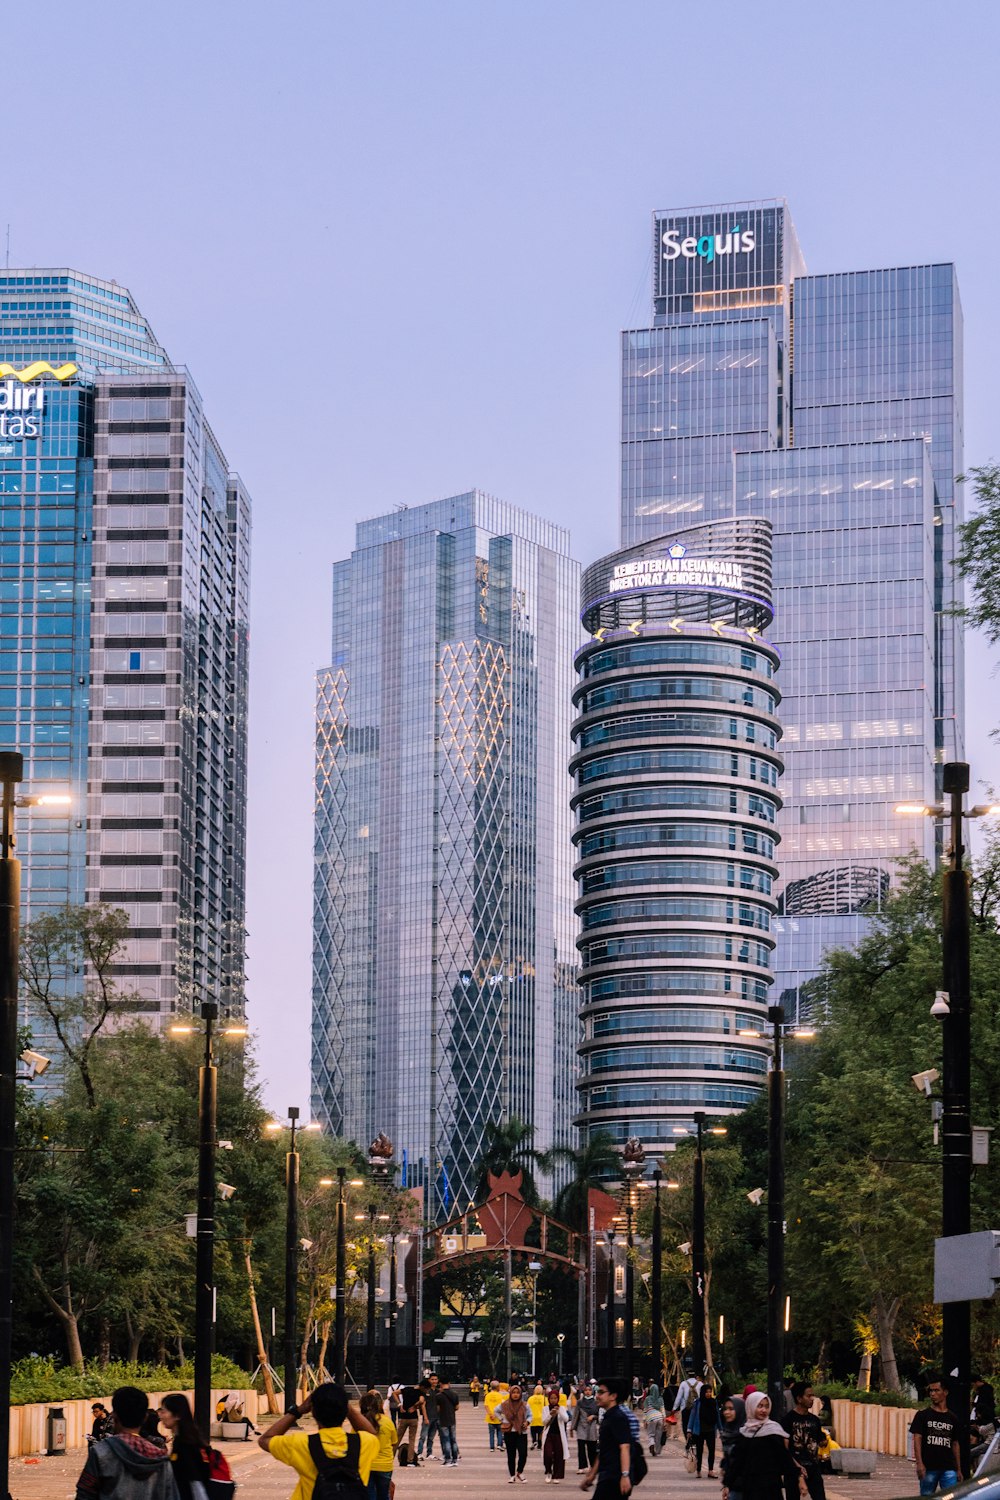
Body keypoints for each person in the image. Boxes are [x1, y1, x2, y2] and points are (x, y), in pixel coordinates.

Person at [259, 1382, 379, 1500]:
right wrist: (348, 1409)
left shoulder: (301, 1443)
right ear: (345, 1411)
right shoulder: (364, 1443)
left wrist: (298, 1411)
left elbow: (265, 1440)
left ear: (313, 1411)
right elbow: (372, 1433)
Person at [76, 1386, 178, 1500]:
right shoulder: (161, 1459)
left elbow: (85, 1494)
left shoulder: (100, 1452)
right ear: (145, 1418)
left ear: (114, 1416)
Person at [722, 1392, 806, 1500]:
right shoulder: (745, 1433)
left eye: (766, 1406)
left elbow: (785, 1458)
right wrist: (728, 1485)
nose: (764, 1410)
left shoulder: (773, 1430)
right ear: (751, 1406)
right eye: (760, 1406)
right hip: (750, 1488)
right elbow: (737, 1463)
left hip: (770, 1487)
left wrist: (799, 1478)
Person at [580, 1376, 635, 1499]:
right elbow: (604, 1450)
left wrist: (625, 1475)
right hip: (607, 1476)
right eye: (597, 1392)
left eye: (601, 1392)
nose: (597, 1396)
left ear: (613, 1396)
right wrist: (592, 1475)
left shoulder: (618, 1417)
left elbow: (625, 1447)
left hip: (615, 1477)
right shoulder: (608, 1416)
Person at [910, 1375, 963, 1496]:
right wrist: (919, 1463)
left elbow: (955, 1443)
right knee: (927, 1495)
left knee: (951, 1496)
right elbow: (917, 1438)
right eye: (931, 1391)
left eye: (936, 1390)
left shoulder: (952, 1418)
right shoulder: (922, 1415)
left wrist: (958, 1469)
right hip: (929, 1467)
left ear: (945, 1392)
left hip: (949, 1467)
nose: (932, 1394)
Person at [156, 1395, 211, 1500]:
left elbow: (195, 1482)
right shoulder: (187, 1439)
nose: (160, 1416)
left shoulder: (185, 1444)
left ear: (177, 1415)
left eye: (164, 1411)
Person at [781, 1382, 826, 1500]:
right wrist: (796, 1466)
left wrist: (823, 1441)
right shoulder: (788, 1420)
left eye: (813, 1395)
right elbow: (785, 1447)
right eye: (808, 1396)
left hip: (813, 1468)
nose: (812, 1399)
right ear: (799, 1398)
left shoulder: (815, 1420)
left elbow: (820, 1439)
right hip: (794, 1470)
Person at [359, 1392, 396, 1500]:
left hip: (366, 1465)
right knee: (384, 1495)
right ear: (379, 1404)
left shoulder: (359, 1422)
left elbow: (354, 1443)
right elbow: (394, 1442)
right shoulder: (387, 1422)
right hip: (385, 1465)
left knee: (369, 1495)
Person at [499, 1383, 530, 1484]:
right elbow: (495, 1411)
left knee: (523, 1454)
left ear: (521, 1394)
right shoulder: (505, 1404)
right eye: (514, 1392)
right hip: (509, 1432)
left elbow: (530, 1415)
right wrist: (502, 1419)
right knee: (511, 1455)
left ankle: (520, 1472)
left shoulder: (525, 1405)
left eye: (518, 1393)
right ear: (510, 1393)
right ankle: (512, 1475)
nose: (516, 1395)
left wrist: (527, 1422)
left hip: (521, 1432)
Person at [543, 1387, 571, 1484]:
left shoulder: (562, 1408)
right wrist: (550, 1414)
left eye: (555, 1398)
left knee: (559, 1455)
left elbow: (566, 1419)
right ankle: (548, 1471)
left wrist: (559, 1411)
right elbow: (544, 1422)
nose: (553, 1400)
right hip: (549, 1435)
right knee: (548, 1454)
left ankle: (556, 1475)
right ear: (548, 1399)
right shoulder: (545, 1409)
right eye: (551, 1398)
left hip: (559, 1435)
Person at [692, 1379, 719, 1477]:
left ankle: (710, 1470)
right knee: (699, 1451)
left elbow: (717, 1416)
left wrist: (720, 1428)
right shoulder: (698, 1402)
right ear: (703, 1392)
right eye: (707, 1392)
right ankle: (698, 1470)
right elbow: (693, 1416)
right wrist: (689, 1430)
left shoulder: (713, 1402)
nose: (708, 1394)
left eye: (710, 1392)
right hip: (700, 1430)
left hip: (711, 1429)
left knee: (712, 1451)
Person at [719, 1396, 745, 1497]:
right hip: (733, 1485)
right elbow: (728, 1461)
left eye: (731, 1409)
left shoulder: (746, 1434)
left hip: (747, 1486)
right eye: (725, 1409)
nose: (726, 1412)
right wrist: (726, 1485)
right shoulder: (727, 1431)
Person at [571, 1384, 600, 1473]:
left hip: (592, 1428)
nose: (588, 1392)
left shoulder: (597, 1402)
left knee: (592, 1449)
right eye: (586, 1390)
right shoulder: (580, 1402)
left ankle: (593, 1466)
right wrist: (572, 1428)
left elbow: (600, 1416)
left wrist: (594, 1416)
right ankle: (582, 1467)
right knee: (581, 1448)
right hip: (581, 1427)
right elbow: (575, 1415)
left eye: (589, 1390)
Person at [395, 1380, 424, 1466]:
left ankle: (390, 1457)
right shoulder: (420, 1392)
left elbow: (394, 1393)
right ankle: (410, 1460)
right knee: (412, 1440)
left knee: (397, 1439)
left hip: (404, 1416)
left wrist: (400, 1404)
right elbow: (422, 1401)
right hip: (413, 1418)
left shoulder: (406, 1389)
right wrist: (415, 1406)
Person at [436, 1379, 460, 1467]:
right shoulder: (455, 1394)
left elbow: (437, 1409)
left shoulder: (439, 1396)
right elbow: (457, 1407)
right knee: (453, 1439)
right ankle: (455, 1460)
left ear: (440, 1384)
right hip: (452, 1419)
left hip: (443, 1419)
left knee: (446, 1440)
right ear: (449, 1383)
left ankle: (447, 1459)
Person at [674, 1373, 703, 1440]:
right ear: (695, 1376)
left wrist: (675, 1408)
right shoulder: (700, 1384)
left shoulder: (683, 1383)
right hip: (697, 1407)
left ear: (687, 1375)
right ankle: (695, 1439)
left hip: (685, 1408)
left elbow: (679, 1396)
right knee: (696, 1423)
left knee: (685, 1424)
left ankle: (688, 1439)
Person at [415, 1377, 439, 1461]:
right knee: (423, 1436)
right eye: (432, 1379)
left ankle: (429, 1453)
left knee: (431, 1437)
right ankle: (419, 1452)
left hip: (436, 1417)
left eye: (436, 1379)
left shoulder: (437, 1391)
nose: (434, 1381)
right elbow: (423, 1405)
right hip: (428, 1417)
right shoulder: (425, 1391)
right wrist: (425, 1417)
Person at [972, 1374, 997, 1440]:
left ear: (976, 1382)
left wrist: (979, 1410)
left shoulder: (985, 1390)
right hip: (983, 1415)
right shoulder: (982, 1390)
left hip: (986, 1417)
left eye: (973, 1384)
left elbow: (984, 1404)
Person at [642, 1382, 664, 1455]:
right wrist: (664, 1420)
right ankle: (657, 1451)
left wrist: (644, 1420)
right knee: (658, 1435)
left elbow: (645, 1410)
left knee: (651, 1434)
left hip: (651, 1418)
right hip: (660, 1417)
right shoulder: (660, 1399)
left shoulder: (647, 1399)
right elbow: (662, 1410)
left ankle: (651, 1443)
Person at [485, 1380, 506, 1455]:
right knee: (499, 1431)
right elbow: (502, 1406)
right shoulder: (500, 1396)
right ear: (497, 1387)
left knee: (491, 1433)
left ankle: (491, 1447)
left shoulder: (487, 1395)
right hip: (498, 1417)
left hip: (490, 1418)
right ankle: (499, 1445)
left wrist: (490, 1414)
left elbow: (486, 1406)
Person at [529, 1383, 547, 1450]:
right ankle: (539, 1445)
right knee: (540, 1432)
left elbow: (528, 1407)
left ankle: (534, 1441)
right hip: (541, 1418)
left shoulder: (531, 1398)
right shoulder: (545, 1399)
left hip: (533, 1418)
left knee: (533, 1431)